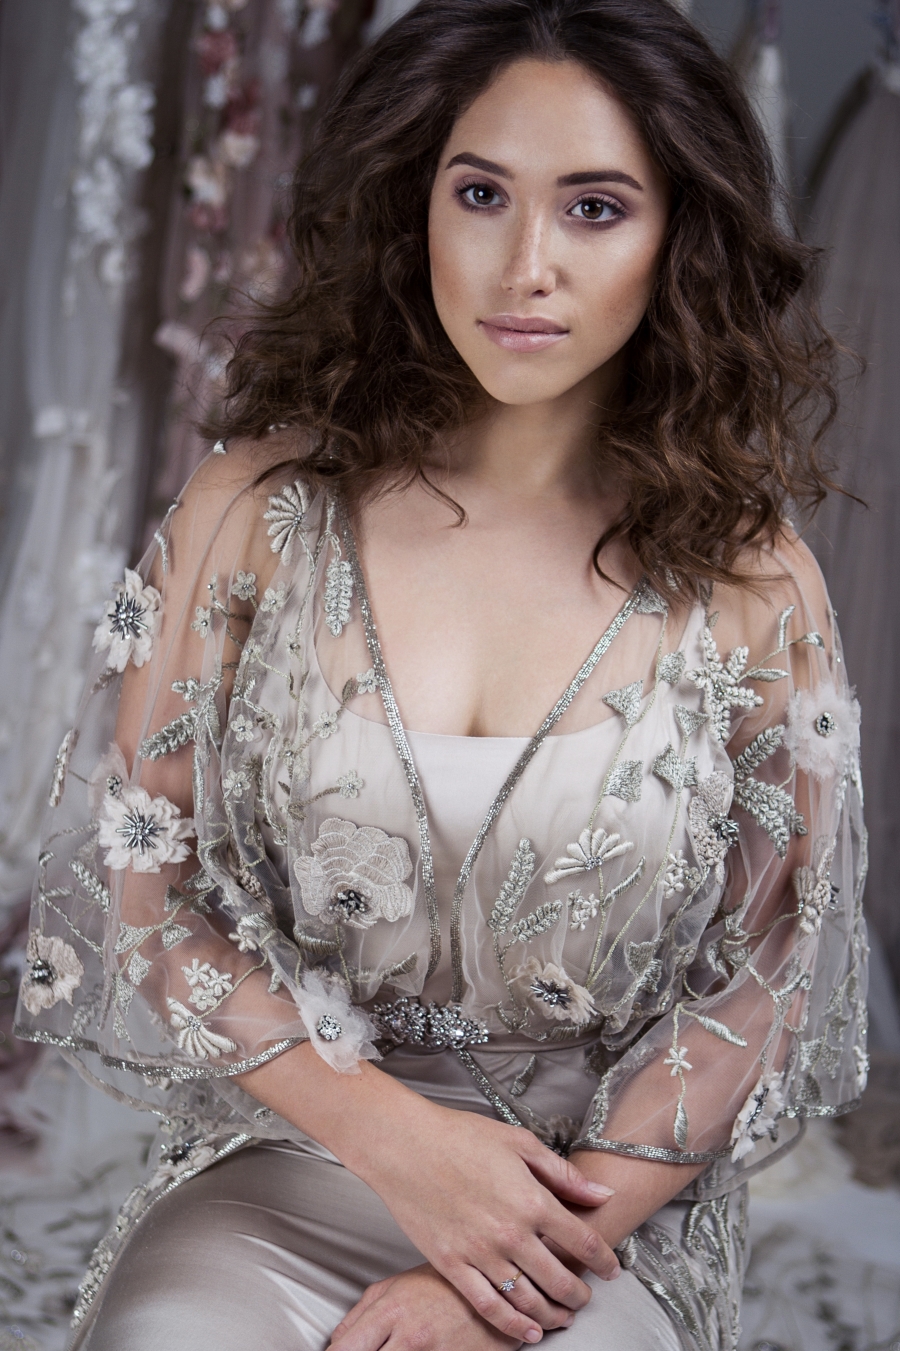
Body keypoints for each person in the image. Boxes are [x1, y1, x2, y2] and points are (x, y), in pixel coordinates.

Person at [16, 2, 868, 1348]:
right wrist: (399, 1143)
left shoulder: (751, 581)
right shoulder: (259, 511)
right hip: (297, 1164)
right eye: (481, 195)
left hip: (587, 1214)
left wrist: (520, 1265)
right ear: (413, 206)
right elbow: (148, 896)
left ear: (679, 240)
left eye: (595, 209)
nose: (526, 265)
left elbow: (763, 982)